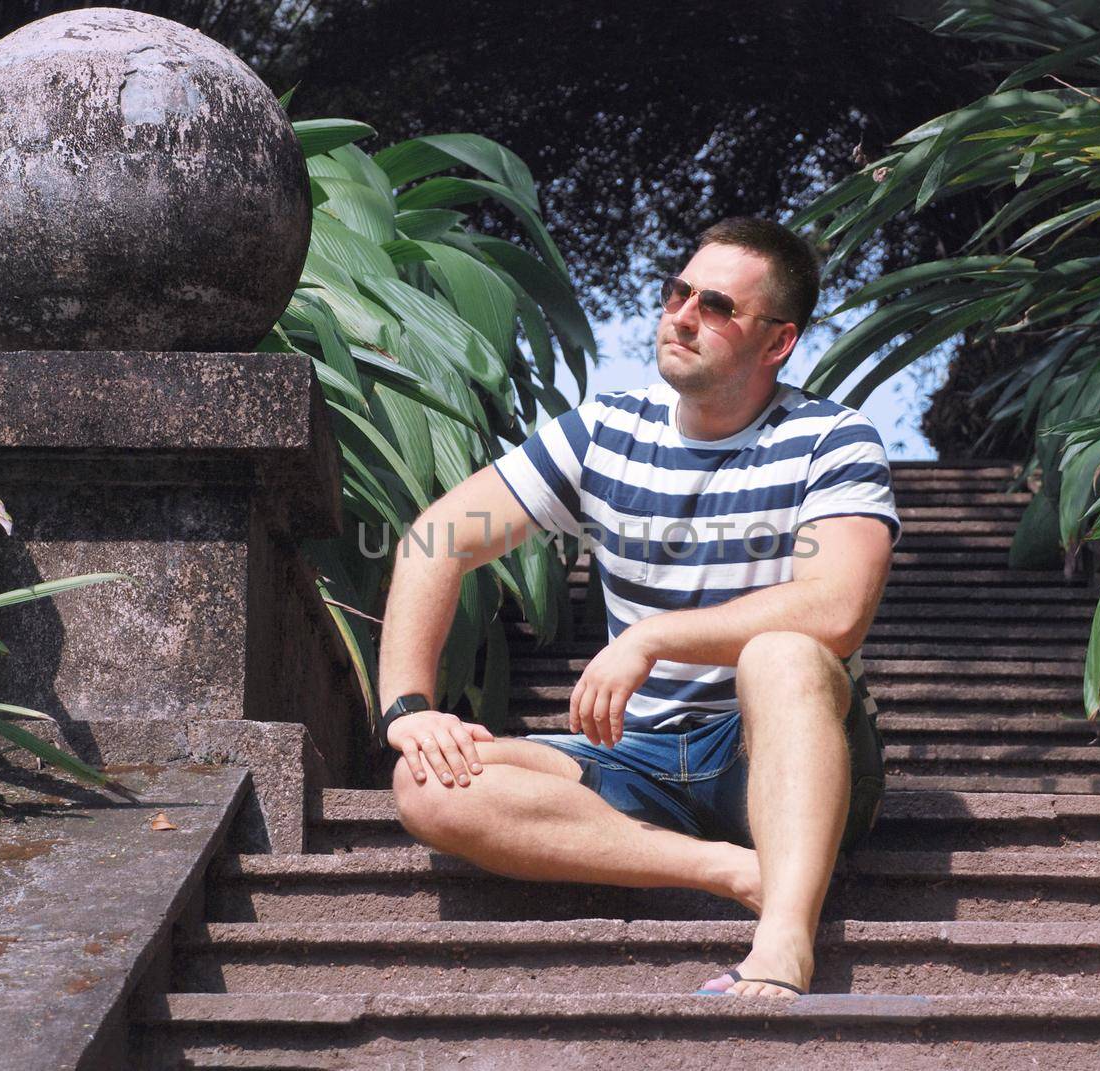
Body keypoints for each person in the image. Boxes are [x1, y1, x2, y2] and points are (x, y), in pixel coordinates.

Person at [375, 216, 899, 1000]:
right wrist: (409, 706)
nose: (682, 315)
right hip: (639, 755)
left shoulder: (834, 439)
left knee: (783, 650)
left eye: (716, 305)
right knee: (425, 782)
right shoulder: (607, 431)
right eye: (677, 292)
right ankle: (737, 871)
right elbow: (438, 537)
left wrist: (654, 636)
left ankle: (786, 938)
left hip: (772, 747)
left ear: (777, 343)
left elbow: (837, 608)